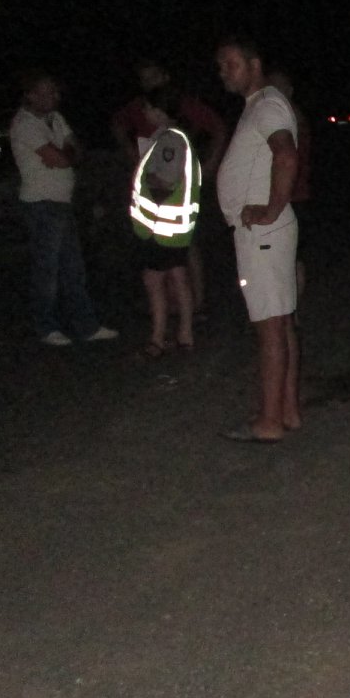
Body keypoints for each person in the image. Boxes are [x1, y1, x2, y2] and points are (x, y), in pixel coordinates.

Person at [215, 38, 300, 442]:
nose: (224, 72)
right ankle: (285, 410)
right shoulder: (259, 106)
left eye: (231, 64)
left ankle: (269, 421)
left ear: (254, 63)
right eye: (220, 67)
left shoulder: (267, 105)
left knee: (269, 328)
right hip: (267, 232)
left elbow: (285, 155)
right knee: (280, 324)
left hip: (263, 233)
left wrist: (270, 208)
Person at [9, 71, 118, 347]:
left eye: (55, 92)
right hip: (41, 204)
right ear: (30, 95)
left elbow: (74, 152)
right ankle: (46, 326)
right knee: (47, 270)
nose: (54, 97)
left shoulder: (56, 119)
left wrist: (63, 154)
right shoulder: (24, 124)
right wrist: (63, 154)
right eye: (46, 92)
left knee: (73, 268)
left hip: (61, 202)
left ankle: (85, 325)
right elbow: (60, 158)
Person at [112, 59, 229, 313]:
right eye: (144, 78)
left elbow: (219, 128)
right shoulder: (140, 106)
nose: (148, 82)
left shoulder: (182, 104)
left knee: (186, 244)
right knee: (157, 246)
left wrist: (209, 166)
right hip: (152, 190)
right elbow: (118, 124)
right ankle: (172, 307)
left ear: (165, 76)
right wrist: (133, 155)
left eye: (153, 76)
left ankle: (196, 303)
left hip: (177, 184)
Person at [127, 84, 200, 356]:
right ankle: (185, 334)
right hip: (175, 227)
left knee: (154, 280)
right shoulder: (177, 137)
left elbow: (167, 180)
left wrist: (145, 178)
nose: (144, 111)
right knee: (179, 277)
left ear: (159, 110)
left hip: (161, 226)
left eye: (147, 106)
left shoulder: (169, 139)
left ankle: (158, 338)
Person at [264, 67, 312, 298]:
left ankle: (291, 313)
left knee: (291, 258)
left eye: (278, 87)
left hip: (293, 196)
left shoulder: (291, 117)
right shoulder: (277, 115)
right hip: (282, 195)